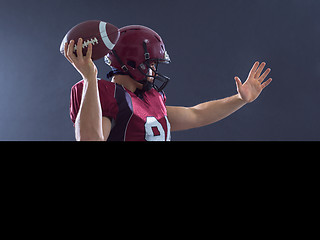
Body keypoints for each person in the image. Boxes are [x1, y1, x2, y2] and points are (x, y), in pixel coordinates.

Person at [64, 25, 272, 141]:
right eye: (152, 64)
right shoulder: (108, 95)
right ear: (132, 62)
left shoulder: (149, 100)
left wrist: (239, 99)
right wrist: (89, 79)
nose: (155, 71)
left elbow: (196, 114)